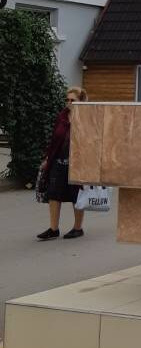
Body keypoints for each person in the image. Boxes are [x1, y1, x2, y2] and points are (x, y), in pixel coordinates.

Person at [36, 87, 87, 240]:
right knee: (53, 194)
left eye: (73, 100)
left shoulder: (87, 118)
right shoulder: (62, 116)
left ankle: (78, 228)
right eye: (67, 100)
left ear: (82, 102)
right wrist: (47, 158)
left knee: (76, 195)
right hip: (58, 160)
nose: (69, 103)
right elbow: (54, 139)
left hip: (78, 163)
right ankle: (53, 229)